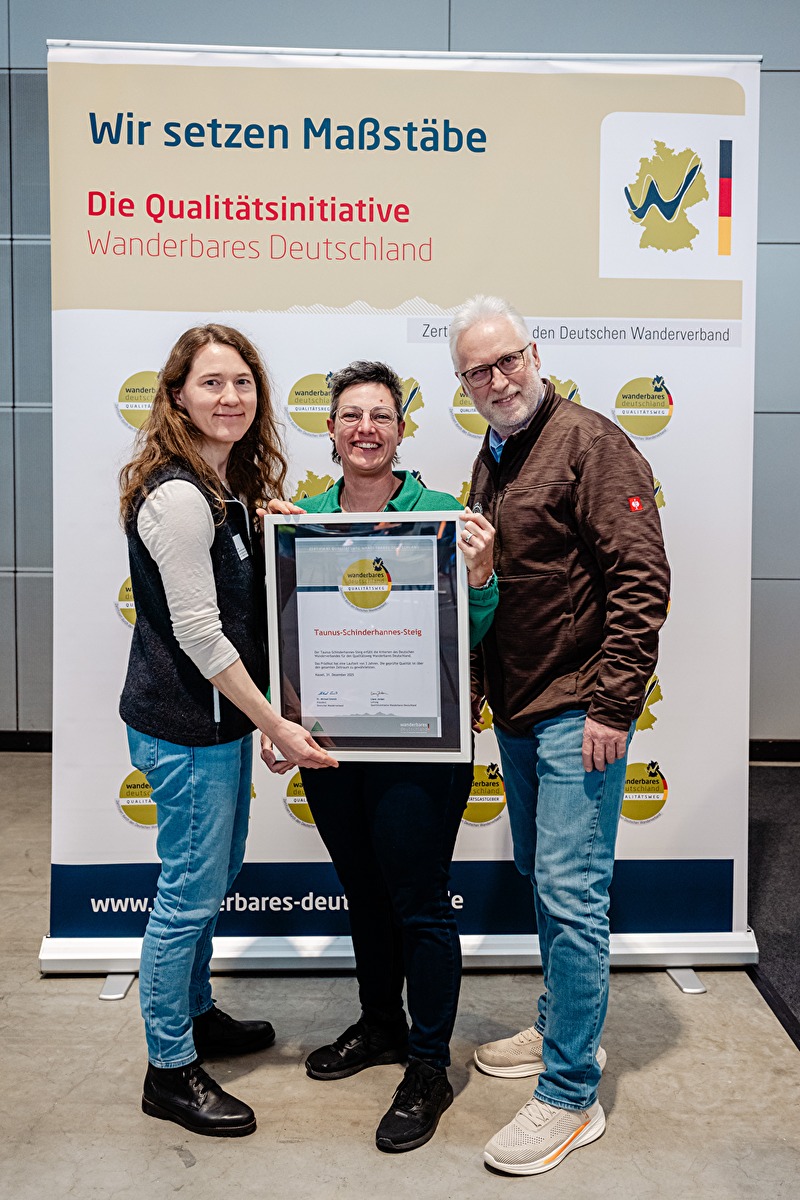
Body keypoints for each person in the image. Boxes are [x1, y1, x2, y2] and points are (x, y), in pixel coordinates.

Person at [448, 296, 670, 1176]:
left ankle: (572, 1093)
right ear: (463, 383)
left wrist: (614, 706)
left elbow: (641, 577)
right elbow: (491, 584)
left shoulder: (591, 443)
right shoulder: (492, 456)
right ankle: (559, 1028)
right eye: (478, 370)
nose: (498, 379)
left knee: (573, 896)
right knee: (545, 879)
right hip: (521, 706)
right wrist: (474, 689)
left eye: (508, 360)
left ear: (535, 354)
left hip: (579, 709)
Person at [266, 359, 498, 1153]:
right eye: (351, 416)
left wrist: (481, 573)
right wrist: (278, 718)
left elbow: (476, 627)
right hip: (332, 743)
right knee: (364, 892)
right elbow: (280, 630)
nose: (366, 429)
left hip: (421, 746)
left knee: (418, 901)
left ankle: (428, 1066)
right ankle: (380, 1024)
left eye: (381, 416)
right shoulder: (301, 517)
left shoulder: (442, 514)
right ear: (330, 430)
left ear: (402, 429)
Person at [118, 324, 336, 1139]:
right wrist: (277, 721)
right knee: (189, 895)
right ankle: (168, 1068)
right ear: (178, 396)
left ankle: (195, 1011)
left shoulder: (219, 490)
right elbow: (204, 637)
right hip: (185, 731)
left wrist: (267, 524)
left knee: (208, 880)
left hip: (212, 730)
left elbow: (239, 599)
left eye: (242, 382)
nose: (230, 397)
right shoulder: (180, 498)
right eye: (211, 383)